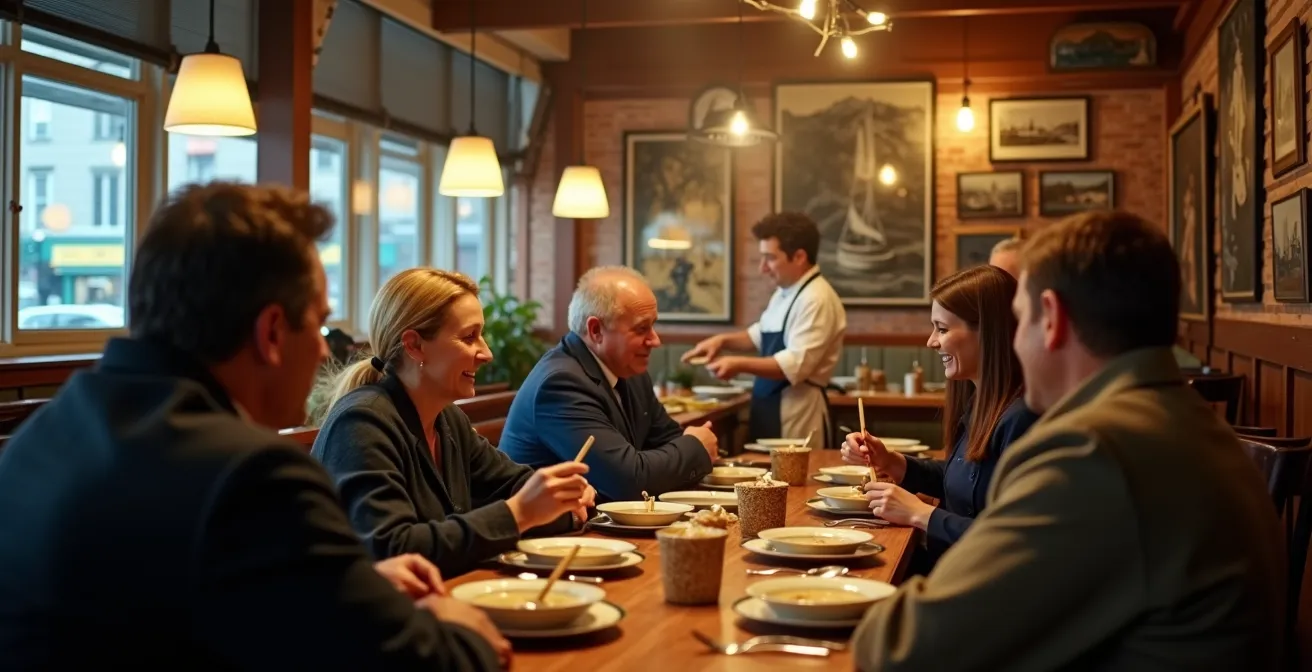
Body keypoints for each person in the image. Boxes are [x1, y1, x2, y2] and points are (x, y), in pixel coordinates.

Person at [0, 182, 509, 670]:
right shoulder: (251, 476)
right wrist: (457, 623)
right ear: (271, 333)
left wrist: (354, 583)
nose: (323, 351)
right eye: (318, 323)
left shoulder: (39, 437)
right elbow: (425, 662)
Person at [852, 211, 1284, 671]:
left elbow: (905, 646)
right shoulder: (1185, 420)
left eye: (1020, 321)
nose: (1014, 345)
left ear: (1052, 318)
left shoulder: (1095, 452)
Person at [310, 268, 596, 577]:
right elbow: (394, 549)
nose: (487, 353)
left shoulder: (448, 419)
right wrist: (520, 514)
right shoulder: (361, 423)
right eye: (469, 337)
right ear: (414, 345)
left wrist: (561, 498)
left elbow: (513, 485)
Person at [840, 265, 1038, 569]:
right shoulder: (981, 401)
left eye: (942, 329)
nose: (931, 342)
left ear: (987, 332)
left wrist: (920, 514)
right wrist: (891, 461)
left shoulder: (1021, 419)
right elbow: (964, 477)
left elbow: (1014, 541)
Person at [499, 266, 718, 501]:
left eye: (653, 325)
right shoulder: (560, 385)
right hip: (552, 523)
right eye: (641, 328)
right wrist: (695, 447)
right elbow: (627, 481)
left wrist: (687, 448)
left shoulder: (629, 369)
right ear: (596, 330)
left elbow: (667, 439)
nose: (655, 340)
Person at [682, 212, 846, 446]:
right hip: (768, 405)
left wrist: (737, 364)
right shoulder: (785, 292)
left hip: (797, 413)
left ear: (799, 257)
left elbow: (794, 365)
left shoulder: (816, 298)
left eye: (770, 258)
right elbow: (758, 335)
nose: (763, 268)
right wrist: (721, 341)